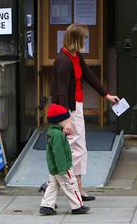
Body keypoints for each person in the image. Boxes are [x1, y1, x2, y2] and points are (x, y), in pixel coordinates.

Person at [50, 23, 119, 201]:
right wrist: (66, 121)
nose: (86, 41)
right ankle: (60, 184)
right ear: (76, 40)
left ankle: (76, 186)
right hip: (69, 109)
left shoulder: (75, 56)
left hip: (76, 105)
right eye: (84, 38)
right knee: (75, 149)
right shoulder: (64, 61)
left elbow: (89, 75)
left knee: (79, 148)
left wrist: (106, 95)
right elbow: (62, 93)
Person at [39, 103, 90, 215]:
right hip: (62, 167)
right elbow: (59, 153)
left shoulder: (54, 132)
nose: (69, 122)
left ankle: (46, 206)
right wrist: (63, 168)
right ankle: (77, 206)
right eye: (68, 119)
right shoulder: (58, 135)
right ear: (61, 121)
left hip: (54, 168)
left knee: (52, 187)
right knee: (72, 185)